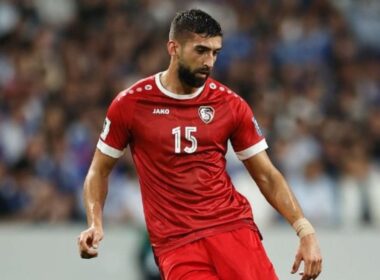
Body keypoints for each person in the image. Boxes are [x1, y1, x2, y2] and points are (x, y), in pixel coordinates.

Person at [78, 9, 322, 280]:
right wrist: (94, 223)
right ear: (174, 48)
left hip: (232, 230)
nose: (209, 61)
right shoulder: (131, 104)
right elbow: (98, 170)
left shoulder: (230, 105)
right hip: (176, 243)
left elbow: (266, 174)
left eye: (215, 53)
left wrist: (304, 230)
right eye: (201, 51)